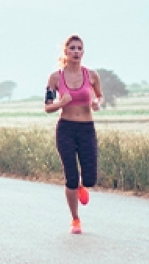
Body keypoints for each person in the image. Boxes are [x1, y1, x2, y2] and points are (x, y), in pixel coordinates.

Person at [44, 34, 104, 234]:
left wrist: (97, 103)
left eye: (79, 48)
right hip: (66, 129)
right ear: (66, 52)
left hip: (87, 129)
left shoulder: (92, 75)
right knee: (70, 177)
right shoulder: (55, 78)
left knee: (90, 180)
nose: (76, 52)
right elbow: (47, 106)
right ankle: (75, 219)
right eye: (72, 48)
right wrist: (61, 103)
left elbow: (100, 96)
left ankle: (82, 186)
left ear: (83, 52)